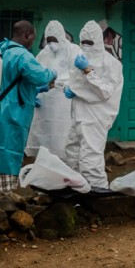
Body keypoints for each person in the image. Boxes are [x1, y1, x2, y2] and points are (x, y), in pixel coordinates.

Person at [0, 21, 57, 199]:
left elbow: (10, 80)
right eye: (32, 38)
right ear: (27, 34)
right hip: (10, 113)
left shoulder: (1, 49)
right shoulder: (21, 55)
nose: (32, 43)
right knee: (7, 152)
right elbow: (39, 75)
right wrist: (53, 73)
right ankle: (2, 199)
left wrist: (34, 90)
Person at [63, 20, 123, 189]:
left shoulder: (111, 64)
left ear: (98, 41)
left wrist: (88, 71)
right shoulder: (80, 59)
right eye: (83, 42)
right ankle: (75, 189)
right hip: (78, 114)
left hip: (96, 117)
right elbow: (75, 82)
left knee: (90, 158)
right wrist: (69, 88)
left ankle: (98, 192)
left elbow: (105, 91)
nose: (86, 46)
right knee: (72, 154)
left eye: (90, 42)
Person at [25, 20, 81, 163]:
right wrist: (35, 90)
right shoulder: (45, 53)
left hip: (64, 100)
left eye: (54, 40)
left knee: (63, 133)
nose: (51, 44)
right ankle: (46, 162)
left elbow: (78, 75)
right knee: (45, 132)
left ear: (61, 38)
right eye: (48, 41)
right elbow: (37, 72)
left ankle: (65, 164)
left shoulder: (73, 50)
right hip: (46, 101)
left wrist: (64, 84)